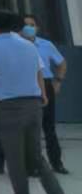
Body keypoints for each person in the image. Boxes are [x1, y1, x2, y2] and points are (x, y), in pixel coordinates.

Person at [0, 10, 72, 194]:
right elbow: (39, 72)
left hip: (8, 107)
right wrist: (43, 95)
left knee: (15, 161)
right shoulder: (28, 45)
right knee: (37, 157)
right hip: (34, 104)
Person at [20, 14, 68, 175]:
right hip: (24, 86)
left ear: (37, 28)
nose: (29, 28)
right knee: (27, 128)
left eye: (32, 25)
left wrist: (58, 81)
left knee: (49, 127)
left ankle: (57, 163)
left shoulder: (46, 45)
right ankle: (31, 165)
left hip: (46, 85)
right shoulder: (16, 45)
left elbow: (61, 63)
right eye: (25, 25)